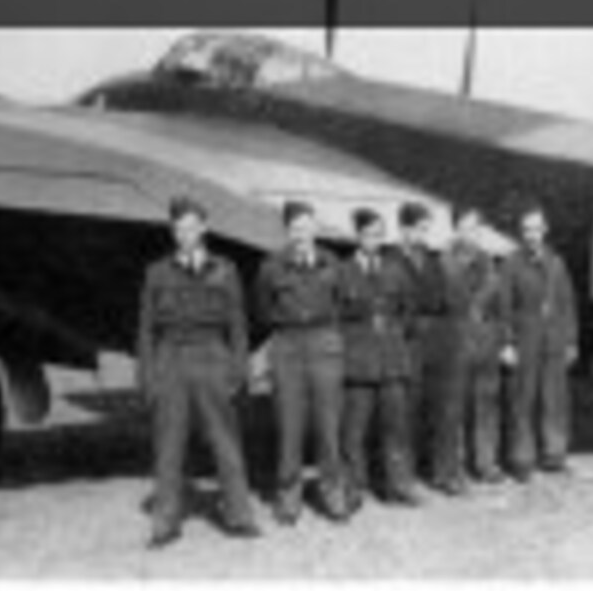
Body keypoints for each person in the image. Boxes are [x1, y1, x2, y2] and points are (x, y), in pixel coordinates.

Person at [136, 195, 260, 549]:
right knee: (169, 445)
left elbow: (237, 325)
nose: (186, 234)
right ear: (172, 232)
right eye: (179, 229)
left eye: (192, 227)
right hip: (171, 360)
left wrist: (239, 369)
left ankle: (239, 515)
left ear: (204, 228)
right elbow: (146, 330)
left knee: (225, 441)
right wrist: (147, 377)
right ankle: (165, 523)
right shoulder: (157, 272)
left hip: (212, 357)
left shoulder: (225, 270)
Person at [254, 201, 355, 525]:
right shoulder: (271, 267)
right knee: (290, 424)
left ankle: (333, 491)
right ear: (287, 231)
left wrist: (326, 333)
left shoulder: (332, 263)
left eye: (307, 226)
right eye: (295, 228)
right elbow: (262, 309)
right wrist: (288, 328)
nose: (302, 233)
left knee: (328, 424)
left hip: (324, 344)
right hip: (288, 345)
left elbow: (343, 303)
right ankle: (289, 495)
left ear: (316, 227)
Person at [339, 208, 423, 506]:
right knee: (354, 430)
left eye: (378, 234)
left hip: (391, 361)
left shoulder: (395, 270)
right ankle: (353, 487)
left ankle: (398, 485)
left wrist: (394, 333)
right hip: (358, 362)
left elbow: (409, 312)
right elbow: (335, 316)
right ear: (357, 236)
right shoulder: (343, 271)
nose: (373, 240)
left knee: (395, 428)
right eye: (367, 234)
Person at [499, 202, 579, 482]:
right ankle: (522, 459)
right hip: (525, 337)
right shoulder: (511, 264)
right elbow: (505, 306)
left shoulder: (556, 263)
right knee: (523, 400)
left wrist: (571, 340)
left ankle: (554, 454)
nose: (531, 235)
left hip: (553, 339)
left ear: (545, 230)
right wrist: (507, 342)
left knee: (554, 399)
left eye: (536, 229)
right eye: (526, 230)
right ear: (520, 233)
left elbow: (567, 305)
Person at [437, 206, 505, 491]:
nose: (471, 235)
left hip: (486, 341)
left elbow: (499, 305)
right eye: (465, 229)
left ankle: (485, 462)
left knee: (486, 403)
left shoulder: (489, 262)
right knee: (454, 408)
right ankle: (453, 468)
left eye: (476, 229)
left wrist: (501, 339)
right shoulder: (444, 262)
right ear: (456, 230)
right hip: (456, 340)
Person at [388, 202, 450, 488]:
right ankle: (403, 477)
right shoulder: (390, 260)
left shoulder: (433, 260)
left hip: (434, 338)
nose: (424, 235)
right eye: (420, 229)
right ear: (404, 229)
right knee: (406, 410)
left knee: (436, 405)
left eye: (427, 229)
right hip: (406, 340)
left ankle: (439, 472)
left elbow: (441, 297)